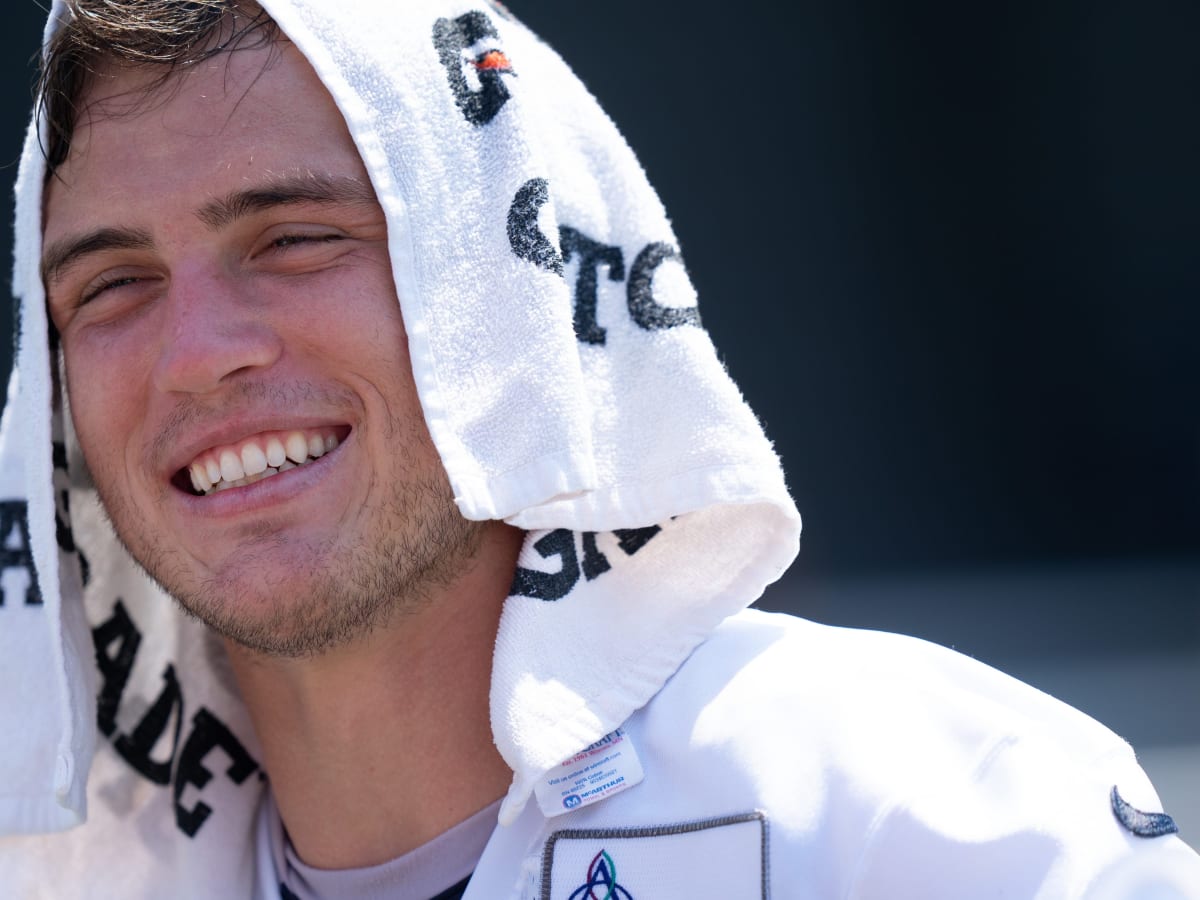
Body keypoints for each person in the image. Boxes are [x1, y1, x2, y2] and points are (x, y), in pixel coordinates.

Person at [0, 1, 1194, 897]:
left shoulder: (937, 823)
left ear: (514, 288)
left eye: (295, 237)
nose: (196, 353)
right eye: (110, 284)